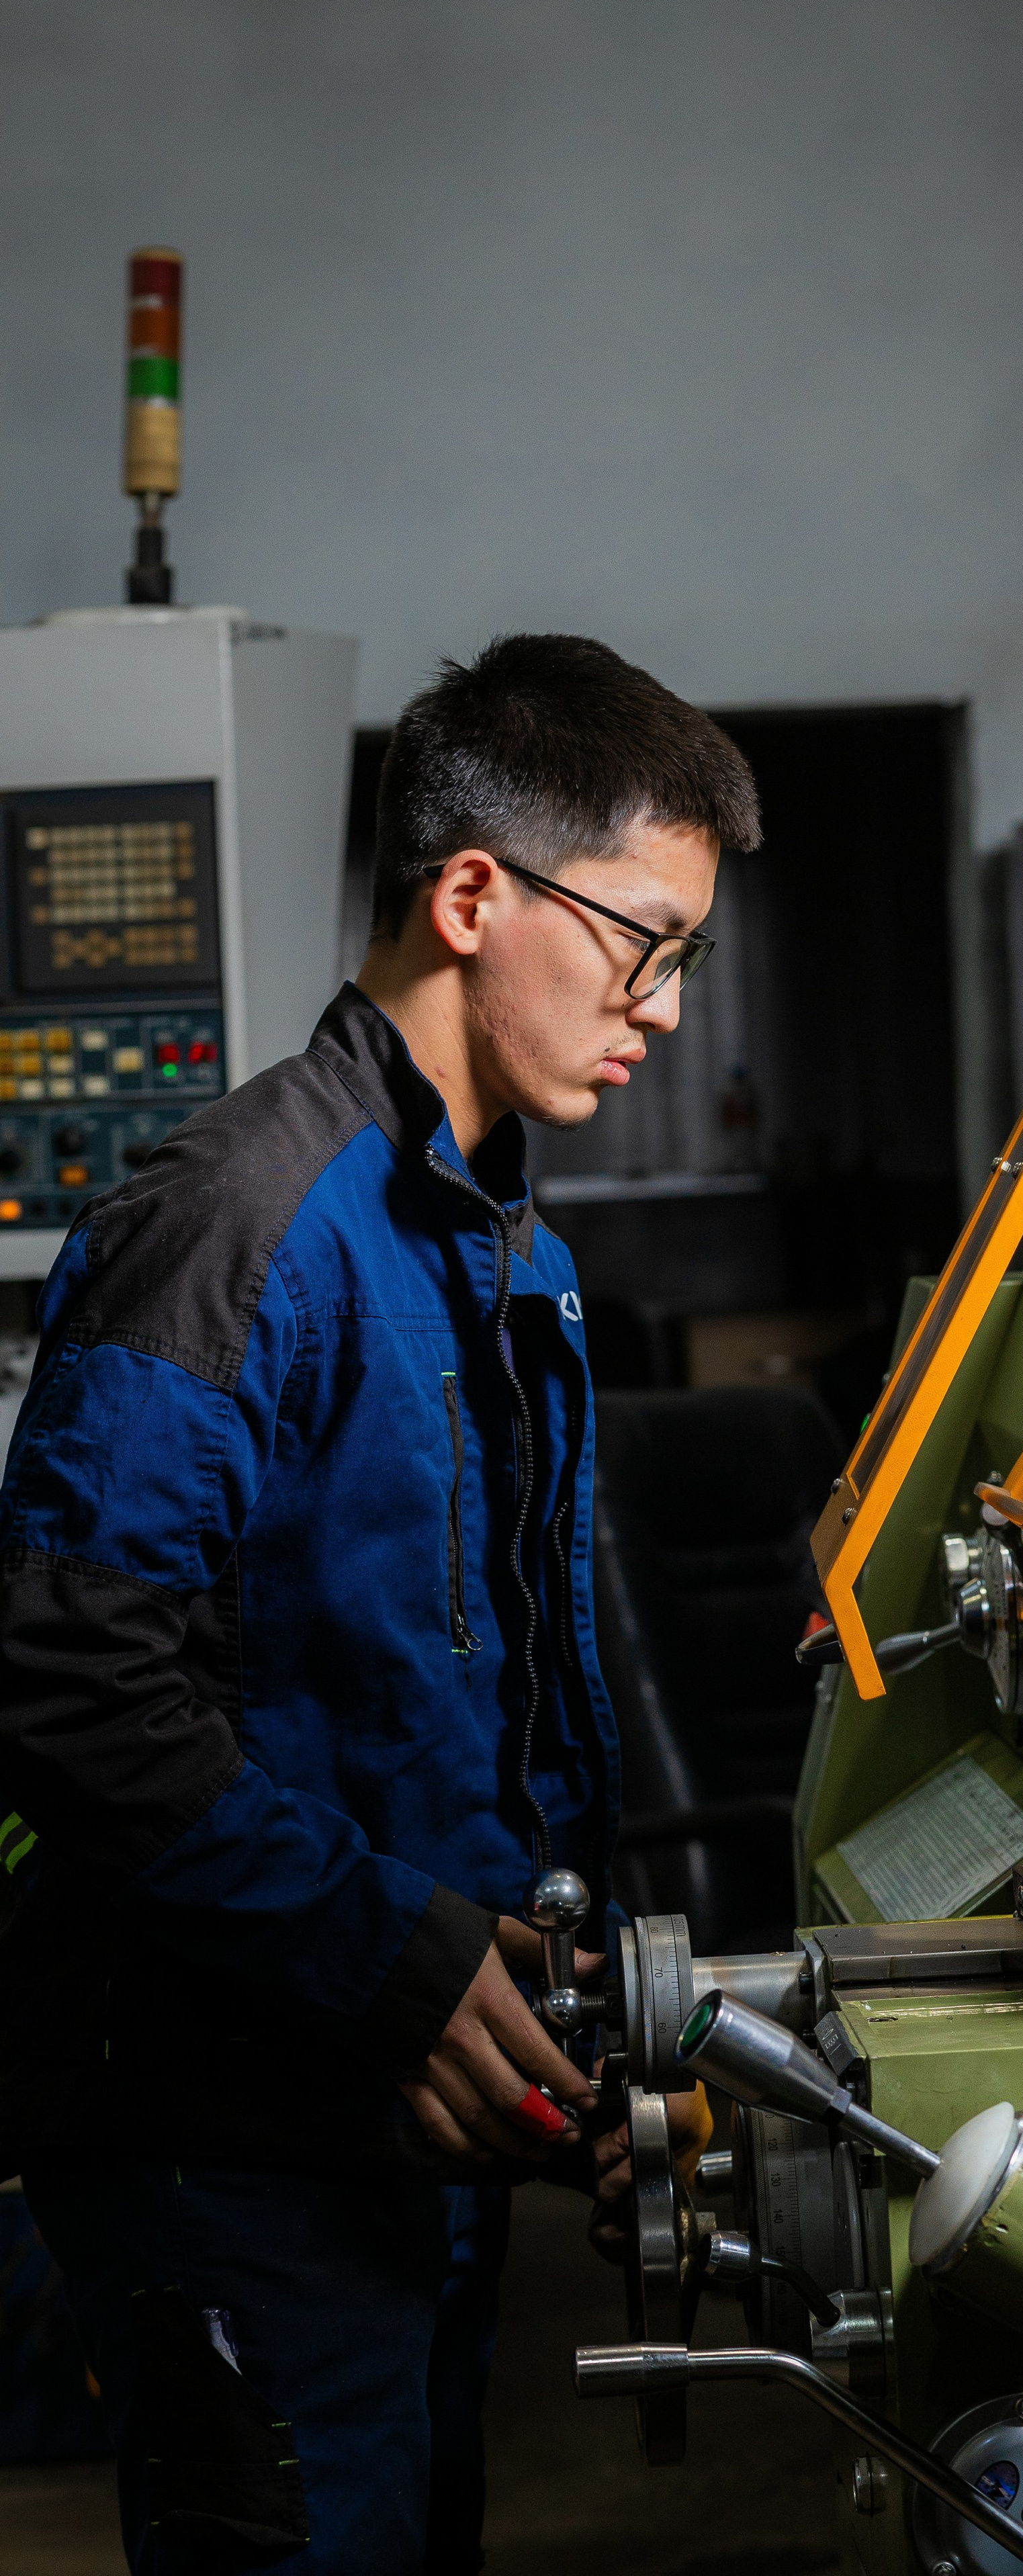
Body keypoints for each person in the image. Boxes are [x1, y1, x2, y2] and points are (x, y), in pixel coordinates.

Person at [0, 634, 761, 2573]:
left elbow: (470, 1682)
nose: (662, 1008)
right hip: (224, 2128)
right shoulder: (234, 1223)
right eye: (642, 945)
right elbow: (79, 1689)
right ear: (472, 894)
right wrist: (407, 1960)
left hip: (382, 2097)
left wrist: (557, 2003)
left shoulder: (485, 1230)